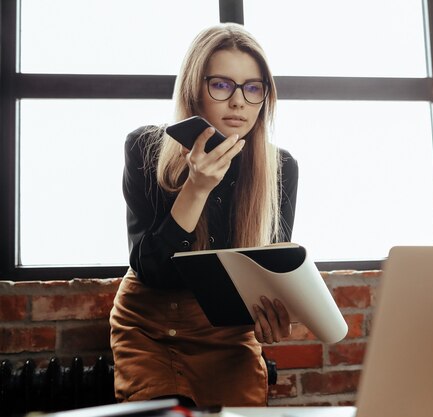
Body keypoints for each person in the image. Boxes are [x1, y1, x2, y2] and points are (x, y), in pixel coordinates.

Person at [109, 23, 298, 408]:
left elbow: (266, 274)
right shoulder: (144, 148)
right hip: (148, 329)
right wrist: (196, 188)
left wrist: (273, 316)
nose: (238, 102)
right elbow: (152, 269)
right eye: (222, 85)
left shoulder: (280, 168)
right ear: (195, 88)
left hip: (226, 336)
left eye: (253, 88)